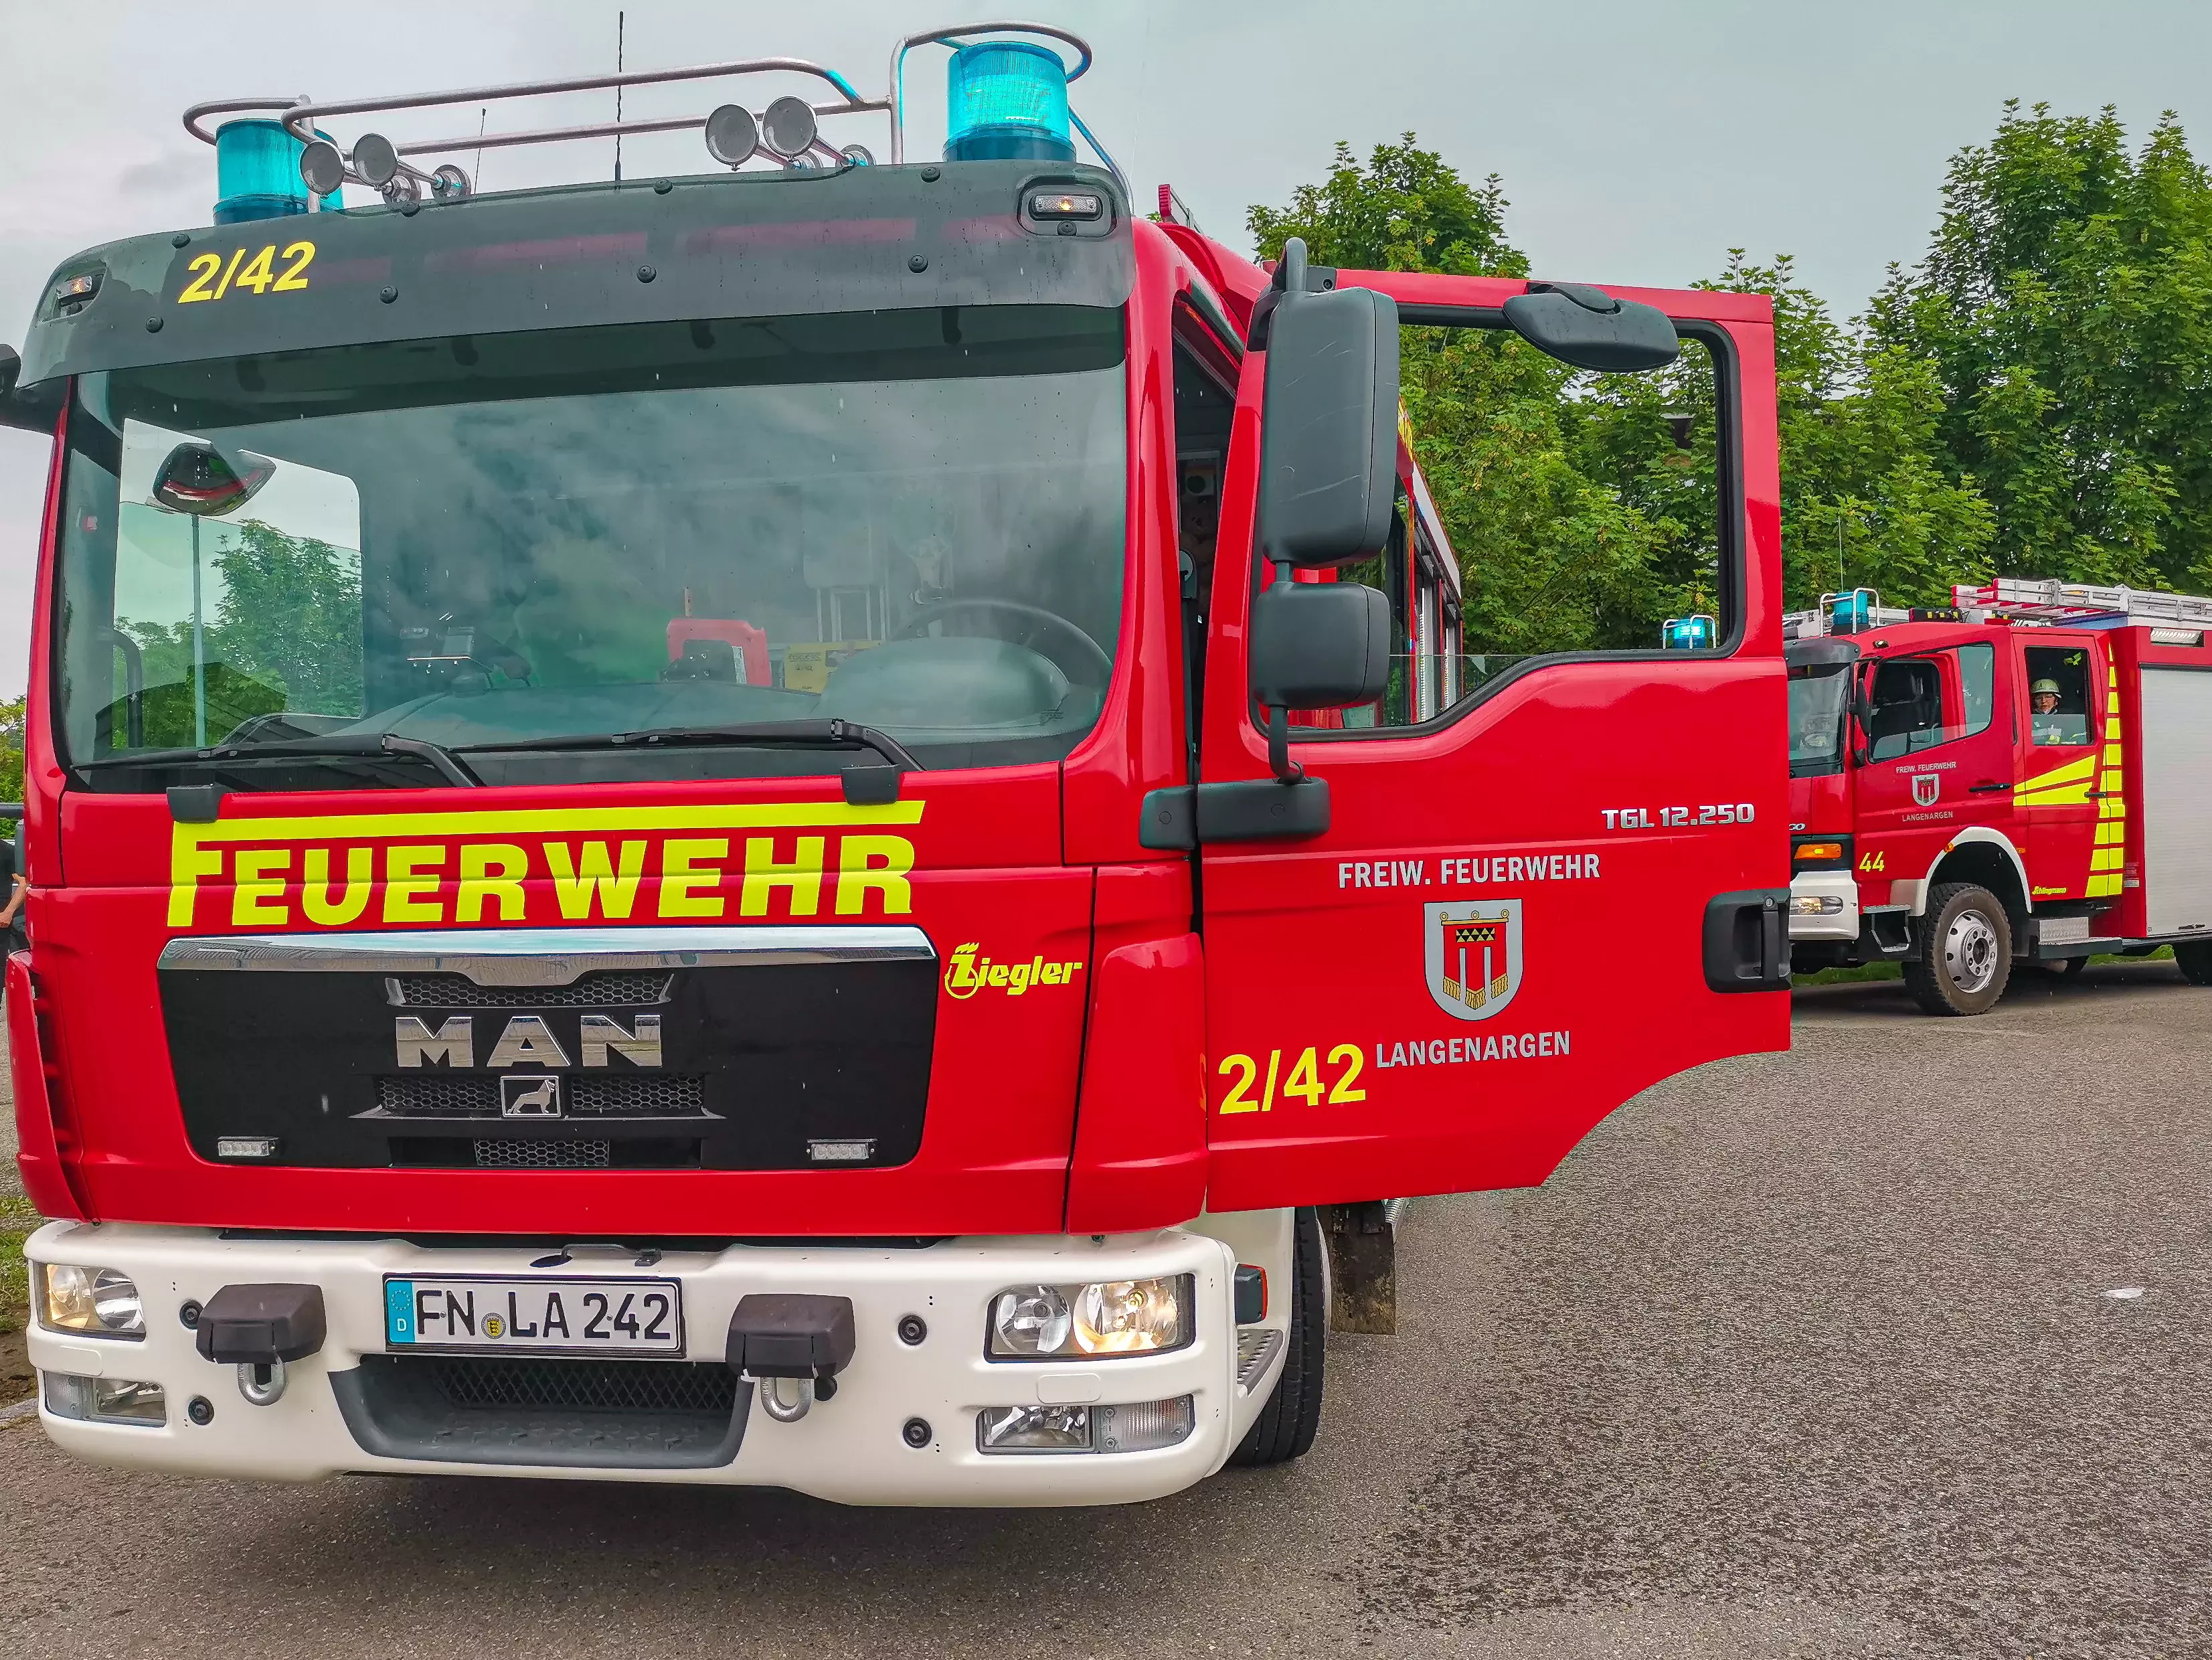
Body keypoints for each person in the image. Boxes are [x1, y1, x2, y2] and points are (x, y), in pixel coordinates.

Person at [2029, 677, 2075, 746]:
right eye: (2039, 698)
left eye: (2048, 697)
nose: (2044, 701)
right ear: (2034, 702)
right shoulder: (2027, 719)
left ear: (2056, 701)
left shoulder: (2067, 719)